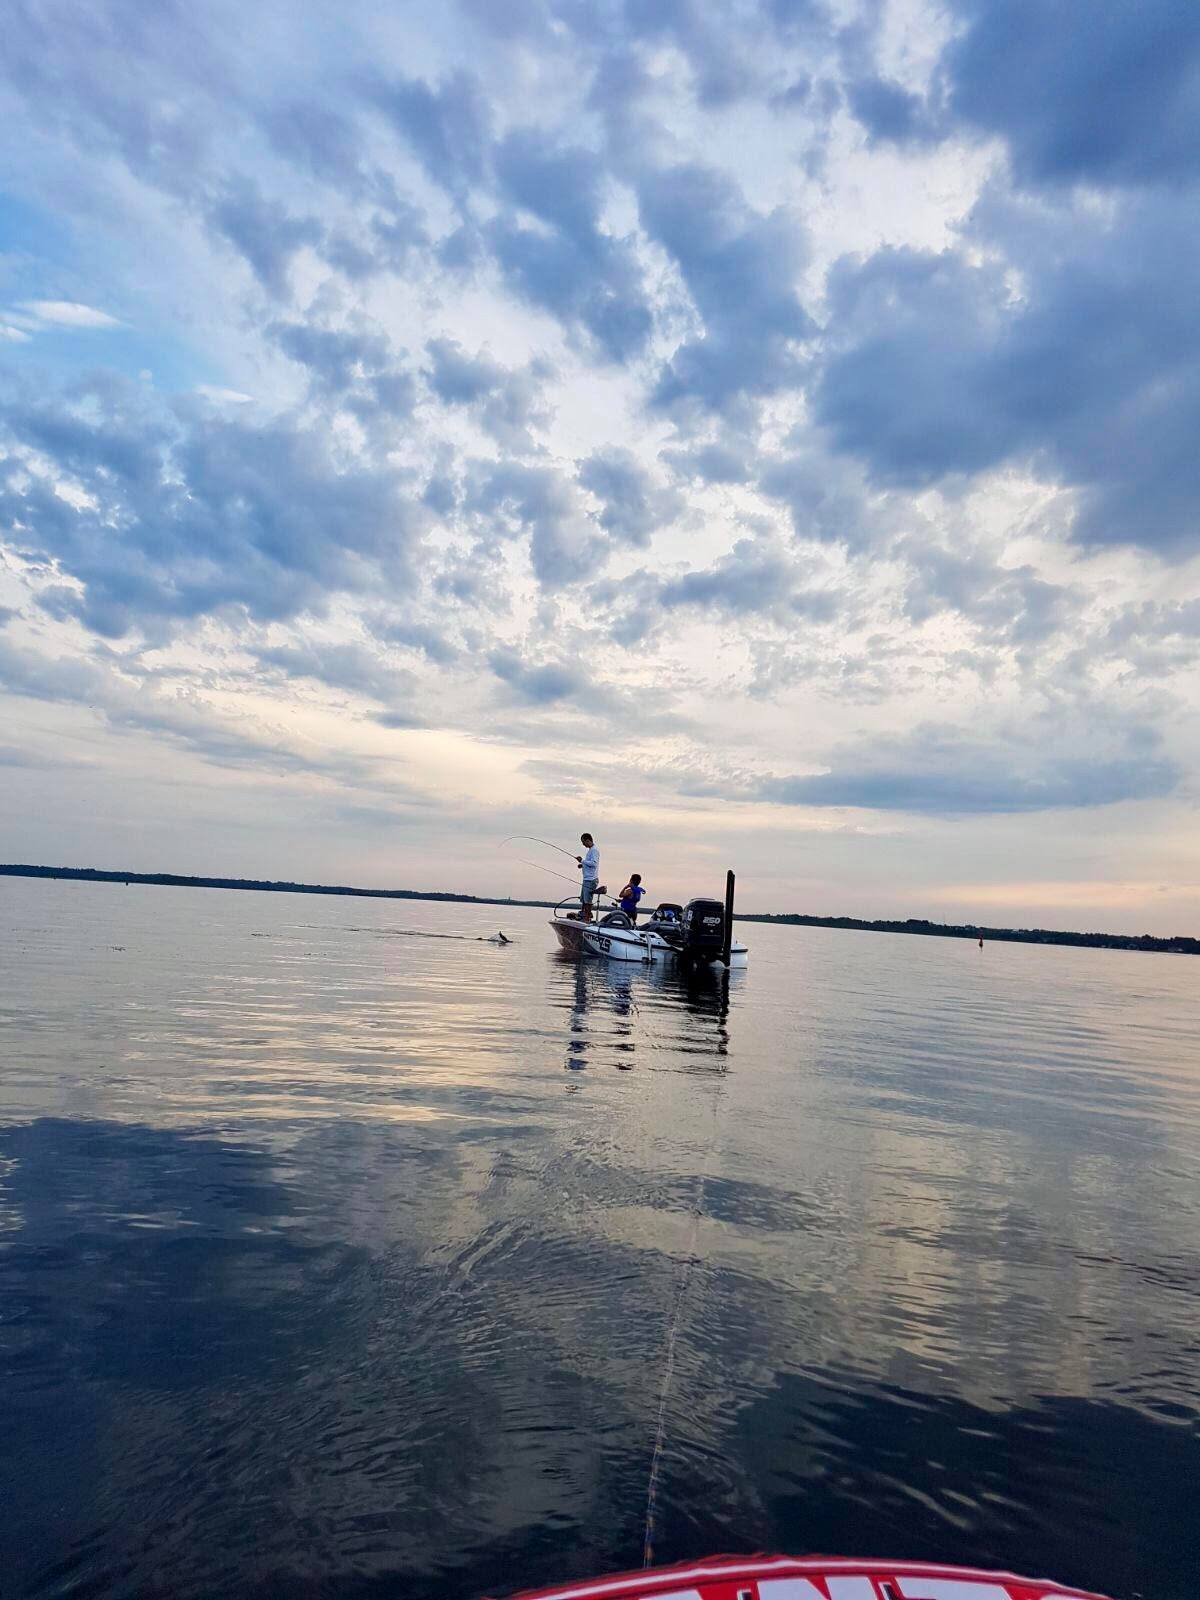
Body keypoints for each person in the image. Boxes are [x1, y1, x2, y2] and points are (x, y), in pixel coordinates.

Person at [576, 833, 600, 920]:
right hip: (587, 879)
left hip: (591, 879)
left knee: (587, 901)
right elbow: (589, 863)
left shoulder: (594, 850)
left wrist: (582, 860)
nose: (583, 844)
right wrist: (582, 864)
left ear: (588, 840)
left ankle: (587, 918)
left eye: (583, 842)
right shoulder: (590, 850)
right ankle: (584, 916)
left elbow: (594, 864)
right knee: (583, 900)